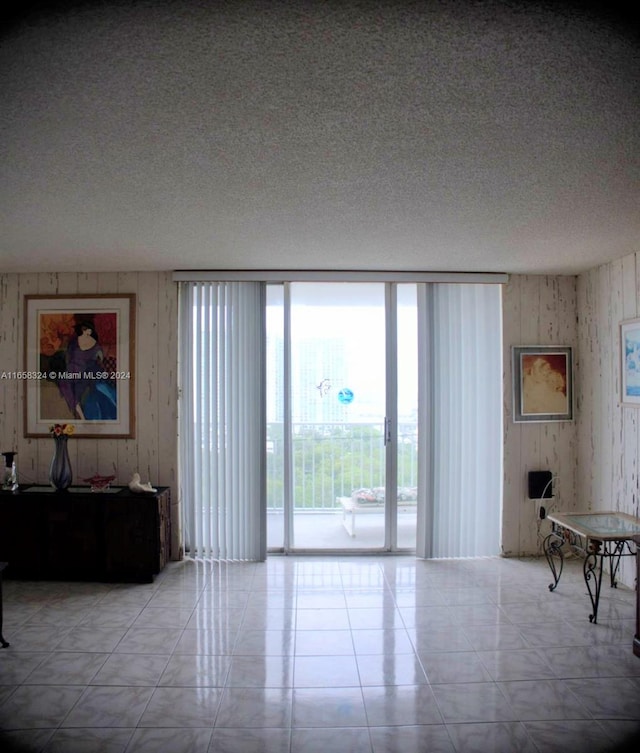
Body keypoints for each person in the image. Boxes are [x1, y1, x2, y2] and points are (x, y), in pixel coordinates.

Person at [57, 321, 117, 420]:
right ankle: (80, 414)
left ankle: (82, 416)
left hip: (86, 372)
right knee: (65, 384)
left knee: (90, 389)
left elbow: (100, 359)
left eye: (89, 329)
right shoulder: (74, 342)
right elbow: (68, 356)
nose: (89, 331)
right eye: (87, 329)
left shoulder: (94, 344)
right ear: (83, 330)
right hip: (72, 370)